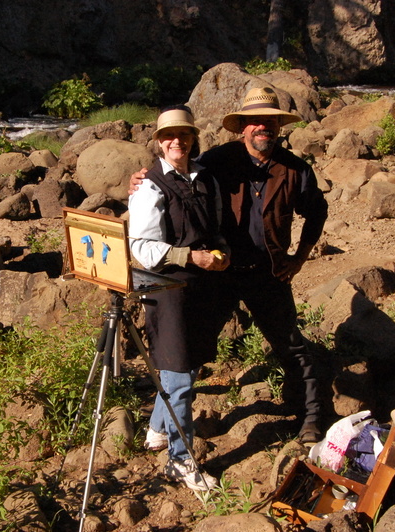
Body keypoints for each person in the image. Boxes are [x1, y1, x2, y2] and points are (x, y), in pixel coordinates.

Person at [131, 87, 328, 445]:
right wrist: (143, 178)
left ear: (279, 127)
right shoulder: (219, 160)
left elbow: (317, 211)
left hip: (267, 273)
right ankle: (161, 427)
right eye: (254, 122)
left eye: (269, 122)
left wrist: (299, 257)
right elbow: (178, 169)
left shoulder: (296, 170)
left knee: (290, 344)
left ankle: (311, 415)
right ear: (242, 128)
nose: (261, 128)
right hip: (217, 274)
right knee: (188, 350)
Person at [128, 105, 229, 492]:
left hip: (199, 285)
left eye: (184, 135)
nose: (177, 141)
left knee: (184, 364)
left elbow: (214, 225)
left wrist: (220, 250)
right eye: (169, 136)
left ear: (193, 139)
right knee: (178, 370)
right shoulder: (150, 186)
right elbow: (142, 246)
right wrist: (191, 256)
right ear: (158, 142)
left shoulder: (204, 178)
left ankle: (156, 428)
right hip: (164, 287)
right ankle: (180, 459)